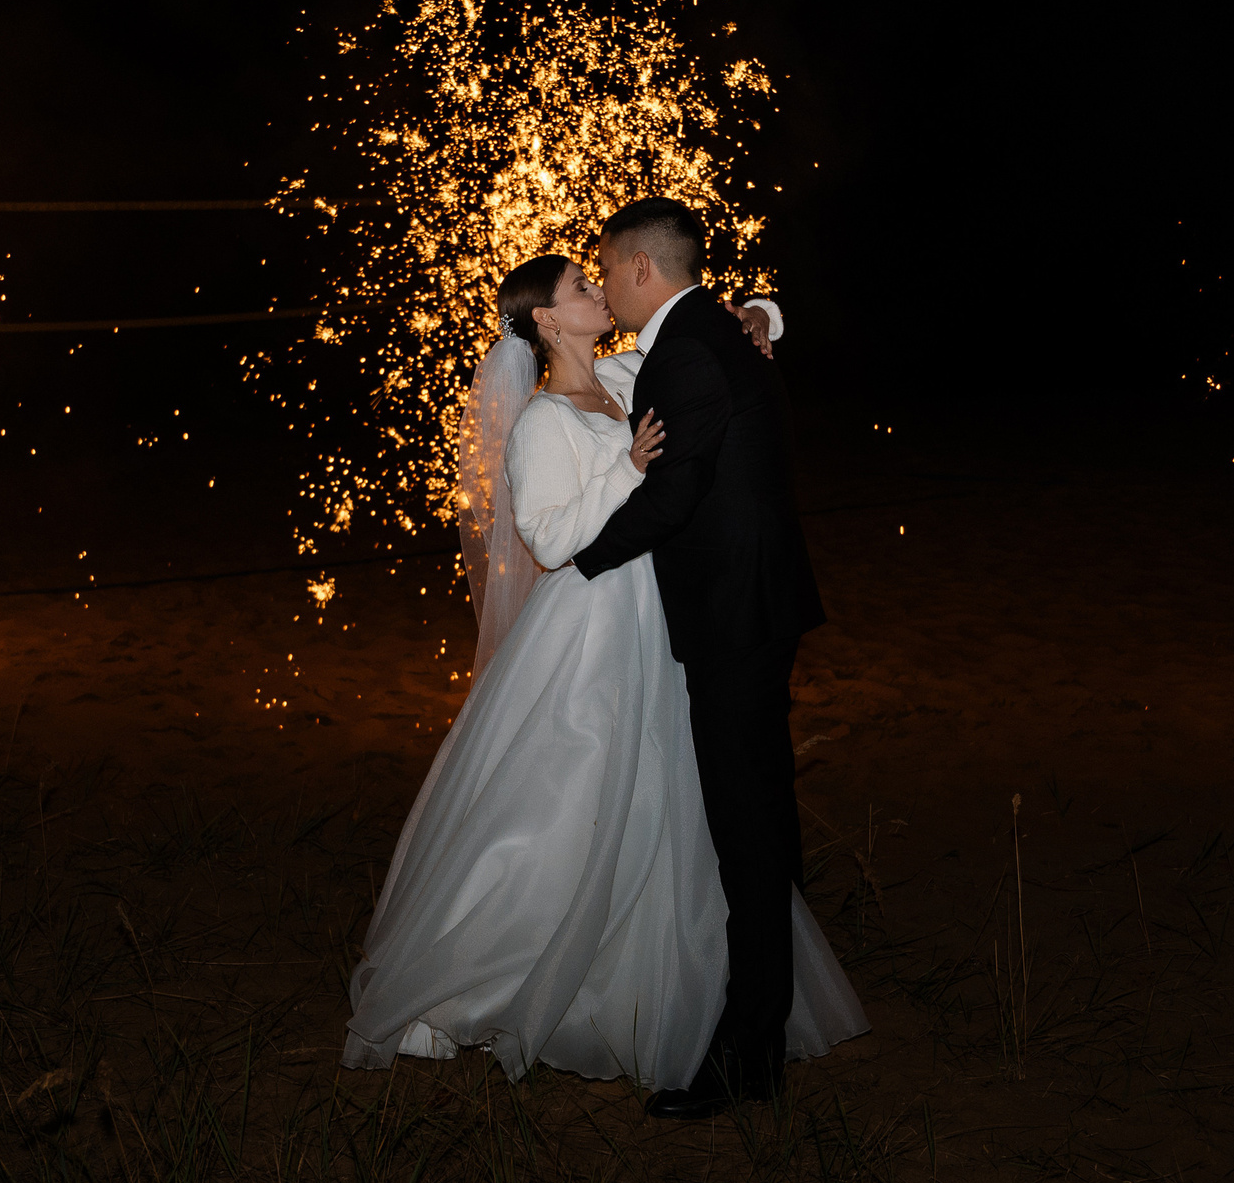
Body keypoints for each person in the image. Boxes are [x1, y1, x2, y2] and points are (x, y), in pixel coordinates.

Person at [342, 249, 863, 1092]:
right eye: (580, 288)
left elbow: (718, 334)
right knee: (575, 792)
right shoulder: (541, 421)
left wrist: (763, 313)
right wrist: (626, 471)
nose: (598, 291)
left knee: (663, 798)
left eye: (598, 280)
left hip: (657, 613)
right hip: (589, 623)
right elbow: (547, 540)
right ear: (545, 320)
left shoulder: (625, 376)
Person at [573, 196, 831, 1119]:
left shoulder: (689, 351)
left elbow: (675, 491)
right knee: (763, 809)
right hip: (758, 601)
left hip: (734, 613)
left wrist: (581, 563)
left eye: (607, 269)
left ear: (643, 269)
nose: (603, 283)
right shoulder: (717, 335)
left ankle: (749, 1053)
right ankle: (776, 1017)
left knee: (746, 825)